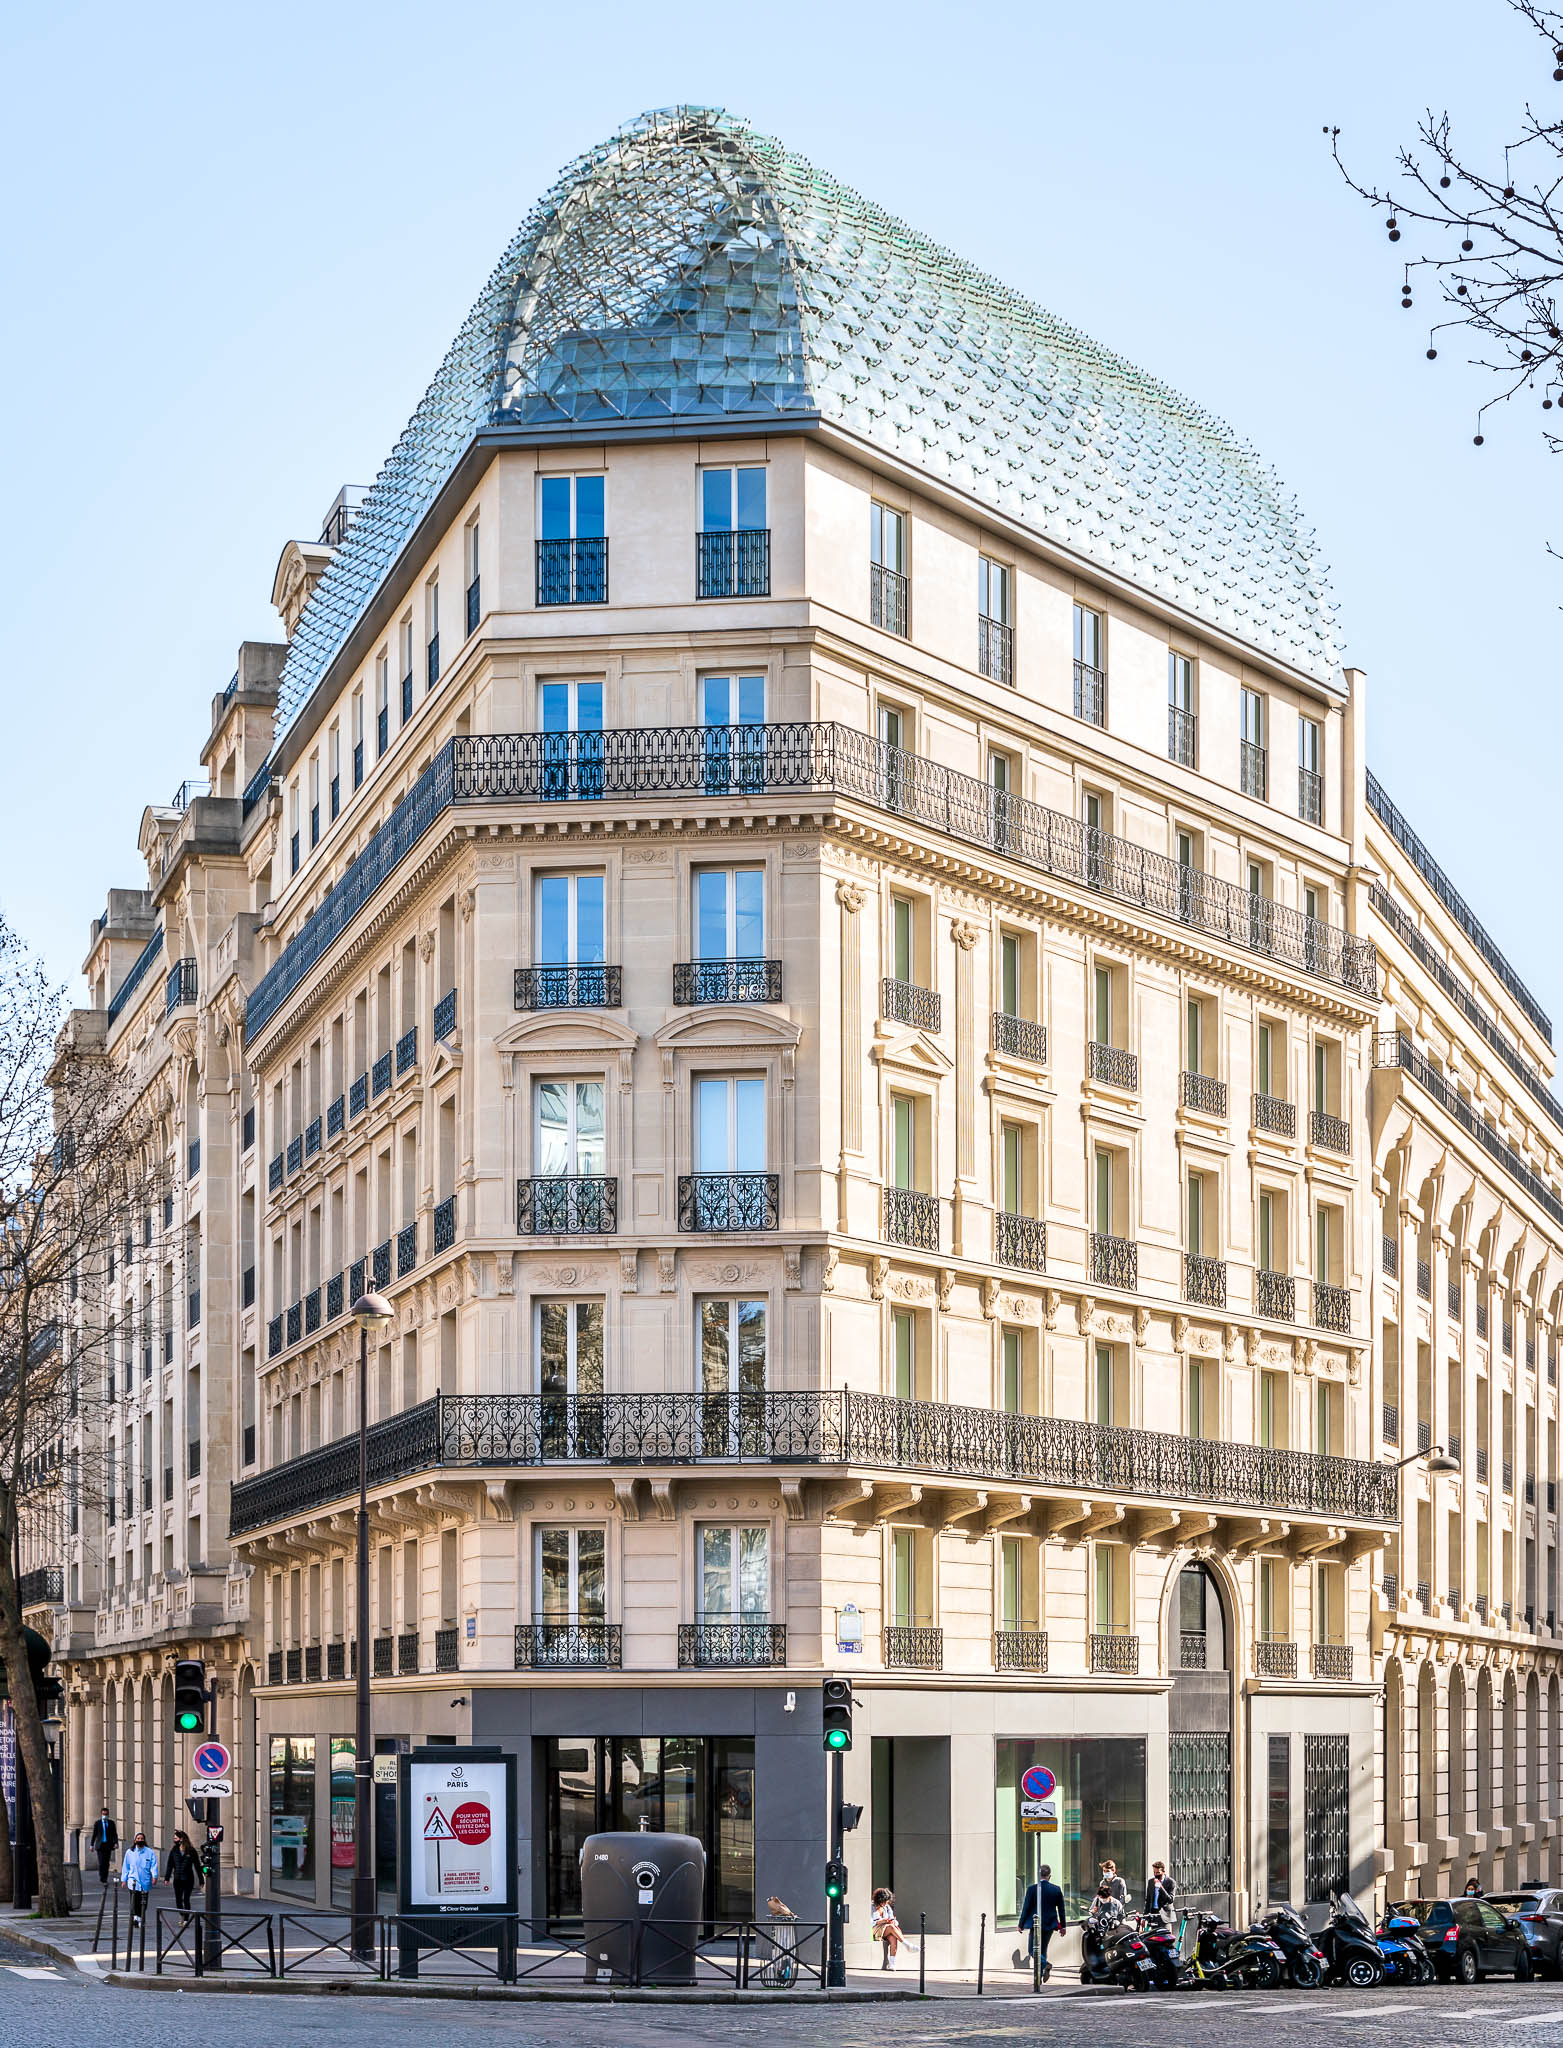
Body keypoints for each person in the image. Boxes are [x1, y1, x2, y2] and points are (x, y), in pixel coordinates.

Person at [1015, 1862, 1068, 1980]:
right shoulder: (1056, 1889)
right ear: (1049, 1876)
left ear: (1038, 1875)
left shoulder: (1032, 1889)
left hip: (1036, 1924)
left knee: (1032, 1950)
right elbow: (1061, 1910)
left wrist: (1021, 1924)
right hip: (1050, 1924)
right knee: (1042, 1950)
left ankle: (1045, 1965)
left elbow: (1026, 1908)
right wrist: (1063, 1926)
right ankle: (1039, 1975)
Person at [120, 1831, 158, 1927]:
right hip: (133, 1880)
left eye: (142, 1838)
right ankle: (135, 1917)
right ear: (135, 1840)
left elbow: (153, 1865)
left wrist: (154, 1876)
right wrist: (124, 1880)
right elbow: (126, 1867)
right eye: (138, 1838)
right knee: (134, 1900)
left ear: (144, 1840)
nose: (140, 1840)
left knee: (143, 1902)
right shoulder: (130, 1852)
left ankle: (140, 1917)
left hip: (145, 1881)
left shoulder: (149, 1852)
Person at [164, 1831, 200, 1919]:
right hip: (177, 1879)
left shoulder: (191, 1851)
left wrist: (201, 1879)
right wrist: (167, 1878)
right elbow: (170, 1865)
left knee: (186, 1899)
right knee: (179, 1900)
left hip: (188, 1879)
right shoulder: (174, 1850)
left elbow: (197, 1865)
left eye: (175, 1838)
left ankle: (186, 1919)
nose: (174, 1840)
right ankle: (182, 1915)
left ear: (181, 1839)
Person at [871, 1886, 906, 1969]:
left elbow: (893, 1918)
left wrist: (892, 1921)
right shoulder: (871, 1907)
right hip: (874, 1930)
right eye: (885, 1901)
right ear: (879, 1900)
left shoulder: (886, 1907)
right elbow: (869, 1923)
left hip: (886, 1930)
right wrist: (881, 1921)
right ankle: (906, 1944)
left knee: (893, 1937)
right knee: (891, 1927)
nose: (886, 1903)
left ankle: (892, 1963)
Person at [88, 1807, 118, 1885]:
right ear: (101, 1814)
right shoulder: (97, 1823)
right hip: (100, 1846)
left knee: (106, 1863)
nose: (105, 1815)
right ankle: (102, 1877)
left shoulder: (111, 1823)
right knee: (101, 1862)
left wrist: (115, 1843)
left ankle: (105, 1877)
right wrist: (91, 1845)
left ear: (108, 1814)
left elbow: (114, 1834)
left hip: (108, 1845)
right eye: (103, 1814)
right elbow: (94, 1835)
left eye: (106, 1814)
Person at [1144, 1859, 1176, 1924]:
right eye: (1154, 1872)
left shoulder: (1171, 1882)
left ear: (1163, 1872)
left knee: (1165, 1931)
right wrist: (1145, 1915)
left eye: (1158, 1872)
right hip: (1153, 1914)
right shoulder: (1151, 1882)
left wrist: (1161, 1887)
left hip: (1165, 1916)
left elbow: (1170, 1900)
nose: (1156, 1874)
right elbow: (1148, 1899)